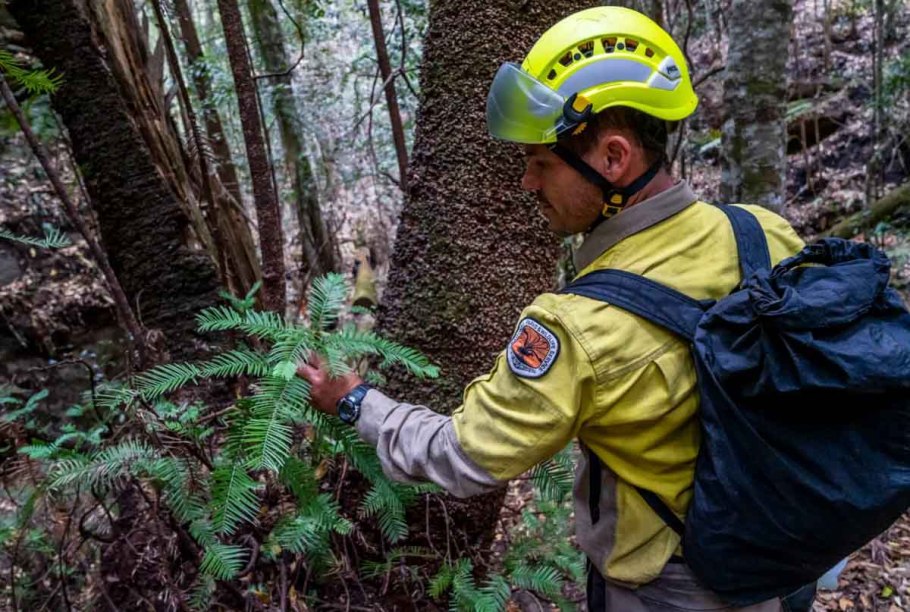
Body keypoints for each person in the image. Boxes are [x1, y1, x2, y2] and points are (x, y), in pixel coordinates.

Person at [298, 7, 808, 611]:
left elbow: (465, 455)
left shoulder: (576, 325)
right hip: (785, 556)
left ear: (614, 158)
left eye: (541, 162)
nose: (527, 184)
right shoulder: (764, 232)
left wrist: (354, 401)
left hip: (670, 589)